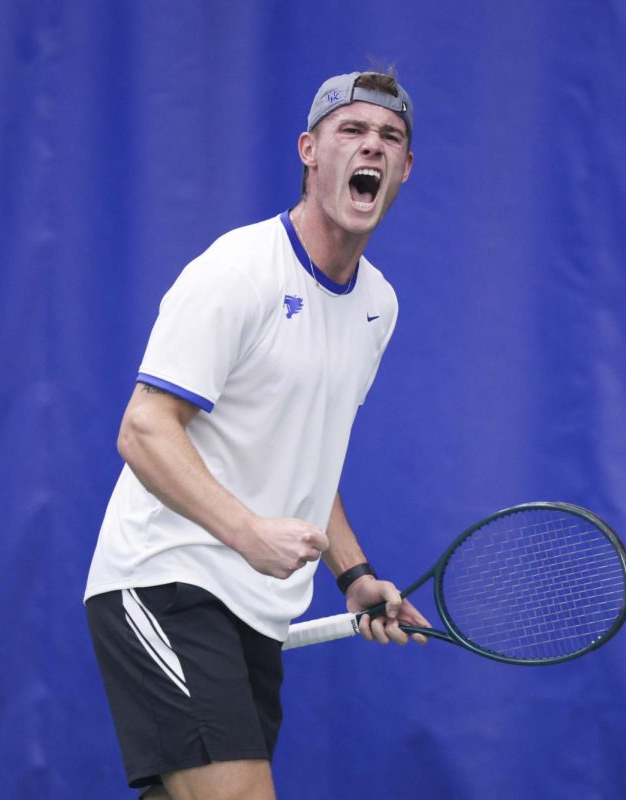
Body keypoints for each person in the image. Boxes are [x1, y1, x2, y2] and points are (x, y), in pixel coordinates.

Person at [84, 69, 431, 800]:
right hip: (164, 580)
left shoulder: (379, 306)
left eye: (389, 137)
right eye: (352, 131)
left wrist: (355, 576)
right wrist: (247, 532)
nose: (371, 146)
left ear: (403, 168)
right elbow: (143, 429)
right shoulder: (237, 270)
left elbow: (310, 454)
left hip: (256, 612)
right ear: (310, 150)